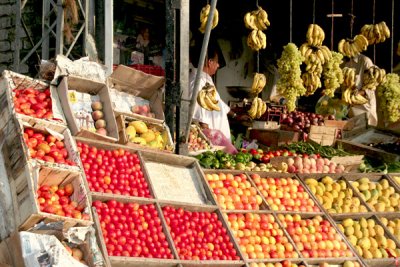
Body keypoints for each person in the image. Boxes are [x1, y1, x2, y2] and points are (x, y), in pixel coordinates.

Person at [189, 41, 247, 141]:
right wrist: (209, 142)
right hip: (212, 142)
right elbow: (200, 119)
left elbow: (218, 102)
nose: (218, 65)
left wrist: (235, 115)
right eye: (217, 61)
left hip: (219, 141)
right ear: (209, 62)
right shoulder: (198, 84)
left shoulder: (206, 80)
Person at [341, 53, 378, 126]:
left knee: (367, 133)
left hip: (365, 108)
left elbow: (372, 85)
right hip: (351, 109)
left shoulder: (365, 61)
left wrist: (357, 94)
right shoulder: (344, 62)